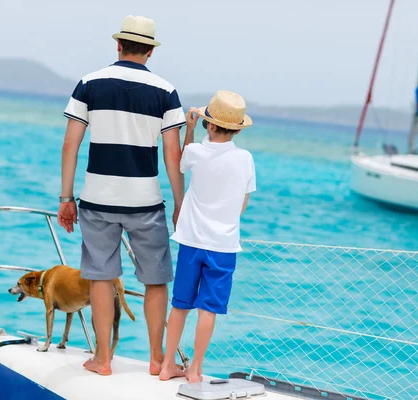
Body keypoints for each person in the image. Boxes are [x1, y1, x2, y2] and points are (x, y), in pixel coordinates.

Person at [57, 15, 186, 376]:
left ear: (118, 45)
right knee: (156, 279)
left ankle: (102, 359)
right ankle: (158, 359)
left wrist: (66, 197)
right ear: (150, 50)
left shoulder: (89, 84)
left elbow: (71, 143)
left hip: (97, 200)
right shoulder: (165, 91)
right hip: (145, 202)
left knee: (100, 276)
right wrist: (179, 204)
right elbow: (172, 155)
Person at [159, 91, 256, 383]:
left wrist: (189, 127)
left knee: (180, 305)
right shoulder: (245, 158)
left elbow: (181, 162)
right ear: (237, 128)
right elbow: (243, 203)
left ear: (209, 125)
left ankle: (166, 366)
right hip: (223, 246)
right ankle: (195, 369)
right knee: (208, 310)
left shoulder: (195, 152)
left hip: (191, 241)